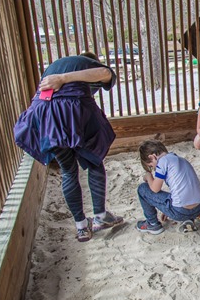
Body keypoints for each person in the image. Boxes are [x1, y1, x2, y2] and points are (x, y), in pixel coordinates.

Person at [14, 52, 123, 242]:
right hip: (71, 109)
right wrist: (65, 78)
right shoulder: (84, 63)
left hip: (45, 116)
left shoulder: (57, 65)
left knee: (68, 170)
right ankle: (100, 216)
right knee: (94, 159)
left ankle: (81, 227)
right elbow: (106, 73)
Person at [136, 140, 200, 234]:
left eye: (151, 166)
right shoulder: (180, 159)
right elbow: (180, 188)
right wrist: (165, 210)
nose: (153, 169)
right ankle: (188, 220)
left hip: (180, 211)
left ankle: (152, 223)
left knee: (142, 189)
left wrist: (148, 176)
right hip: (198, 209)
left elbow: (155, 189)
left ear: (152, 157)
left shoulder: (162, 162)